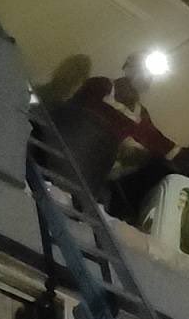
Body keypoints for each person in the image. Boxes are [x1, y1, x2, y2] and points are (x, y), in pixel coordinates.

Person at [42, 52, 179, 220]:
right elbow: (75, 112)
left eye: (148, 76)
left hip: (97, 177)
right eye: (140, 70)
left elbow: (163, 146)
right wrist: (120, 141)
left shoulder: (142, 117)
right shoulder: (100, 86)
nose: (143, 77)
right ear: (127, 69)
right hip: (68, 151)